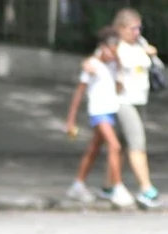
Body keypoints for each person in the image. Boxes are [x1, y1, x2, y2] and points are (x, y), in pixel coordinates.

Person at [64, 28, 130, 205]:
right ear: (103, 47)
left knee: (93, 149)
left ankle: (78, 184)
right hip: (98, 111)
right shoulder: (92, 65)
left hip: (110, 110)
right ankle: (117, 187)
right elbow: (79, 94)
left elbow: (118, 88)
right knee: (114, 146)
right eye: (111, 49)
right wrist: (71, 120)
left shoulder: (115, 64)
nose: (112, 54)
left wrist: (119, 67)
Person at [113, 8, 162, 209]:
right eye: (133, 28)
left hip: (139, 100)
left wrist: (152, 54)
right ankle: (146, 188)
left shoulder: (140, 44)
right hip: (122, 101)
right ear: (121, 28)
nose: (137, 32)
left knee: (119, 145)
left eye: (139, 28)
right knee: (137, 142)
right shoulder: (116, 47)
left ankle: (110, 184)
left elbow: (153, 67)